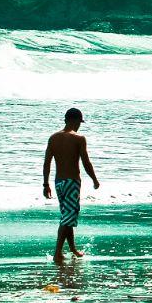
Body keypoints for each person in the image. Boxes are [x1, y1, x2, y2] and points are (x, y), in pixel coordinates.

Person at [42, 108, 100, 263]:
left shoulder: (53, 138)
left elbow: (47, 163)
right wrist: (94, 179)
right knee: (68, 218)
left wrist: (45, 184)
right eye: (79, 122)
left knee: (67, 216)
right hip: (72, 182)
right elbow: (86, 163)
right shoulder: (79, 138)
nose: (79, 126)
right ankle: (57, 253)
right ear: (75, 121)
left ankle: (72, 248)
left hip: (59, 183)